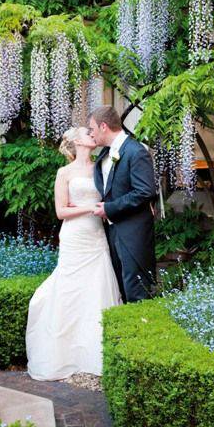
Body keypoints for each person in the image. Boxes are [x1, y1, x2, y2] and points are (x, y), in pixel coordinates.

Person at [25, 127, 122, 380]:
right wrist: (89, 207)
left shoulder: (102, 167)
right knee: (70, 289)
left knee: (97, 288)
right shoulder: (64, 172)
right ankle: (64, 354)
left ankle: (93, 353)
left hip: (96, 235)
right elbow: (60, 212)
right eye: (86, 133)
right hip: (75, 235)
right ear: (76, 141)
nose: (92, 134)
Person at [87, 105, 158, 303]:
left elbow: (145, 191)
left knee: (136, 291)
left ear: (103, 126)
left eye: (92, 129)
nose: (91, 134)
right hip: (113, 230)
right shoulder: (104, 154)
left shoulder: (135, 152)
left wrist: (109, 208)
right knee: (119, 289)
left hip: (133, 233)